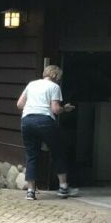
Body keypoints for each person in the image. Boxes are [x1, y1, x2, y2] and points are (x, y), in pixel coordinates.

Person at [16, 65, 76, 200]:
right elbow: (55, 109)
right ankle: (63, 188)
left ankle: (30, 191)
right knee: (57, 151)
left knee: (31, 155)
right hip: (45, 121)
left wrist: (33, 106)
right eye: (59, 77)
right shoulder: (54, 87)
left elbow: (20, 104)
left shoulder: (31, 84)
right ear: (55, 76)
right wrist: (65, 109)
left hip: (27, 121)